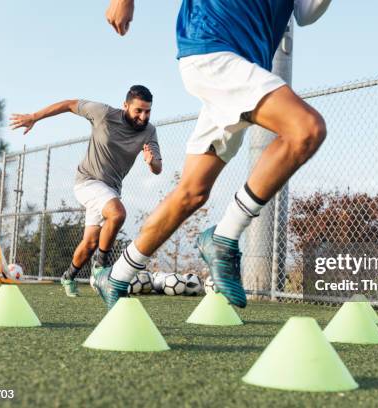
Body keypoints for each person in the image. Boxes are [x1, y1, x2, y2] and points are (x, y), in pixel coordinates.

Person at [96, 0, 332, 310]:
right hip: (212, 49)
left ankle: (116, 275)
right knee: (306, 129)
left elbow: (305, 13)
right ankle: (224, 237)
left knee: (191, 193)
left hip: (244, 70)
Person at [10, 85, 162, 297]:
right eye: (138, 110)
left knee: (90, 242)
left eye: (148, 111)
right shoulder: (104, 113)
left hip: (110, 189)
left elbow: (157, 169)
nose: (143, 116)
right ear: (125, 106)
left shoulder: (149, 131)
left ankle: (68, 276)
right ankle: (101, 268)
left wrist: (151, 161)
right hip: (87, 181)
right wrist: (35, 116)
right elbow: (70, 104)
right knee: (117, 214)